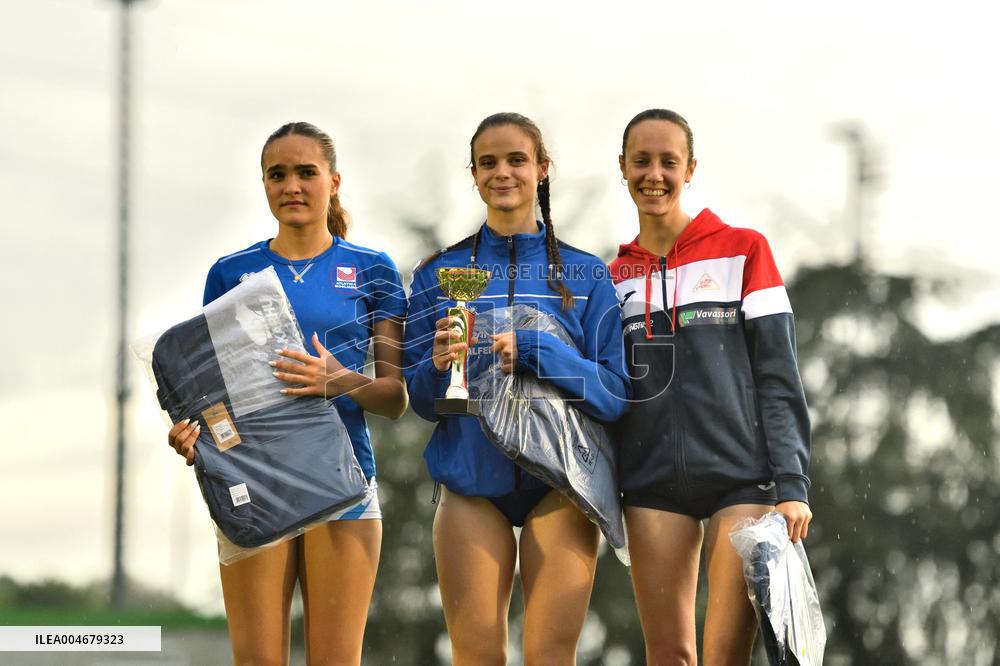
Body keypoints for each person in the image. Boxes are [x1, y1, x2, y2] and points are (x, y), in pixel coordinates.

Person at [166, 121, 408, 665]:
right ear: (264, 184)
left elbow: (395, 398)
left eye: (307, 172)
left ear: (334, 181)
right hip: (254, 483)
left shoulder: (374, 270)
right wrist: (196, 437)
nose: (292, 185)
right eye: (278, 175)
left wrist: (337, 380)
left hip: (342, 483)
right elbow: (211, 395)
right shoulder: (230, 273)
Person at [402, 112, 630, 665]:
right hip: (471, 486)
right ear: (474, 174)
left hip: (563, 483)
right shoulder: (439, 274)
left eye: (516, 160)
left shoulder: (586, 275)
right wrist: (437, 367)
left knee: (550, 657)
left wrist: (535, 349)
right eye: (488, 163)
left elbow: (613, 393)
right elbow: (426, 402)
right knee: (477, 656)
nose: (502, 173)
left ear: (542, 169)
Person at [609, 108, 813, 665]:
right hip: (650, 486)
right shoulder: (612, 278)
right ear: (621, 168)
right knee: (670, 656)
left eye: (668, 162)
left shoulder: (745, 250)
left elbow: (778, 376)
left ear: (690, 168)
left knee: (724, 655)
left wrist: (792, 483)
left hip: (742, 480)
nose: (654, 174)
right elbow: (608, 390)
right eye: (641, 161)